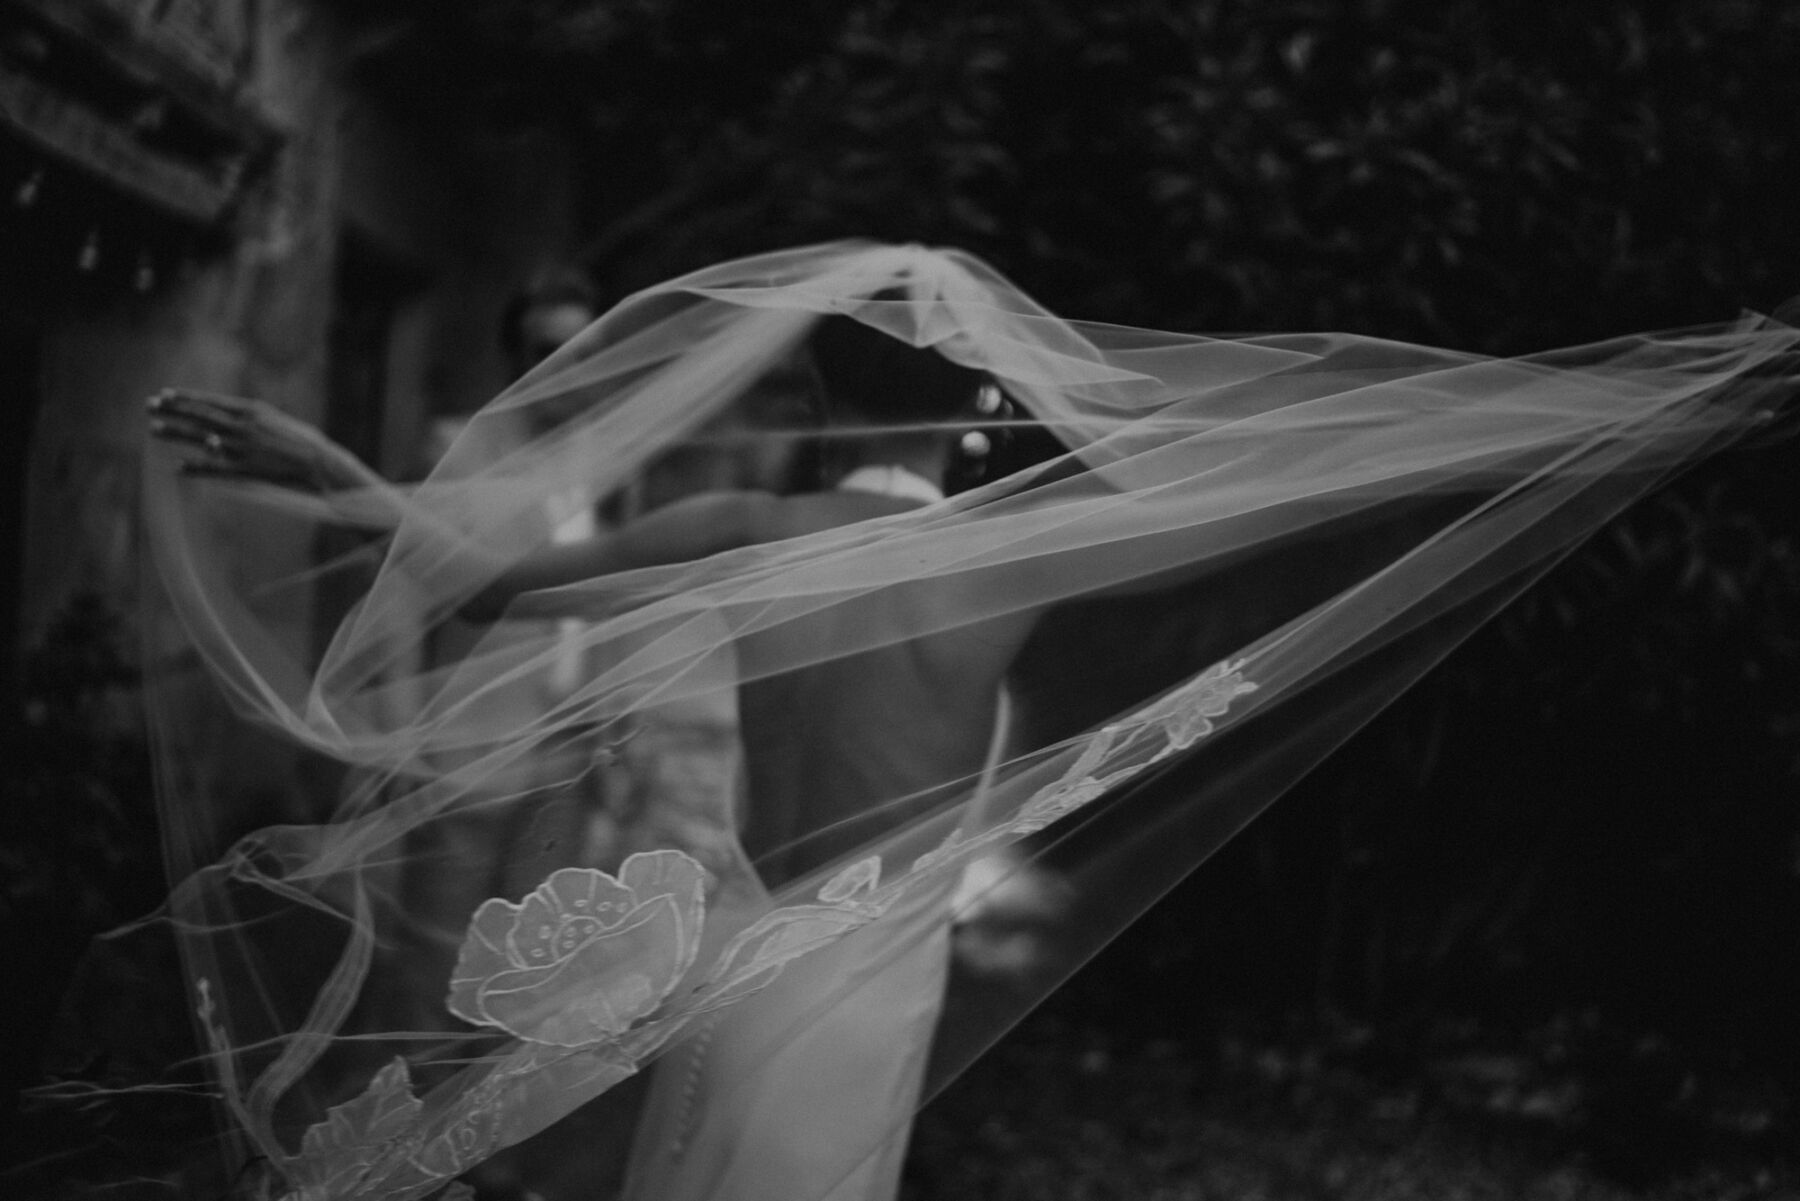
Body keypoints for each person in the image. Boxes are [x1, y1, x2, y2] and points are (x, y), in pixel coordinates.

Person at [133, 243, 1796, 1201]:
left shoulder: (752, 539)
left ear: (806, 401)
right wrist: (1657, 400)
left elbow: (486, 581)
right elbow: (1321, 479)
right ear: (976, 419)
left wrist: (344, 481)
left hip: (743, 944)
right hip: (870, 973)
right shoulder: (1006, 566)